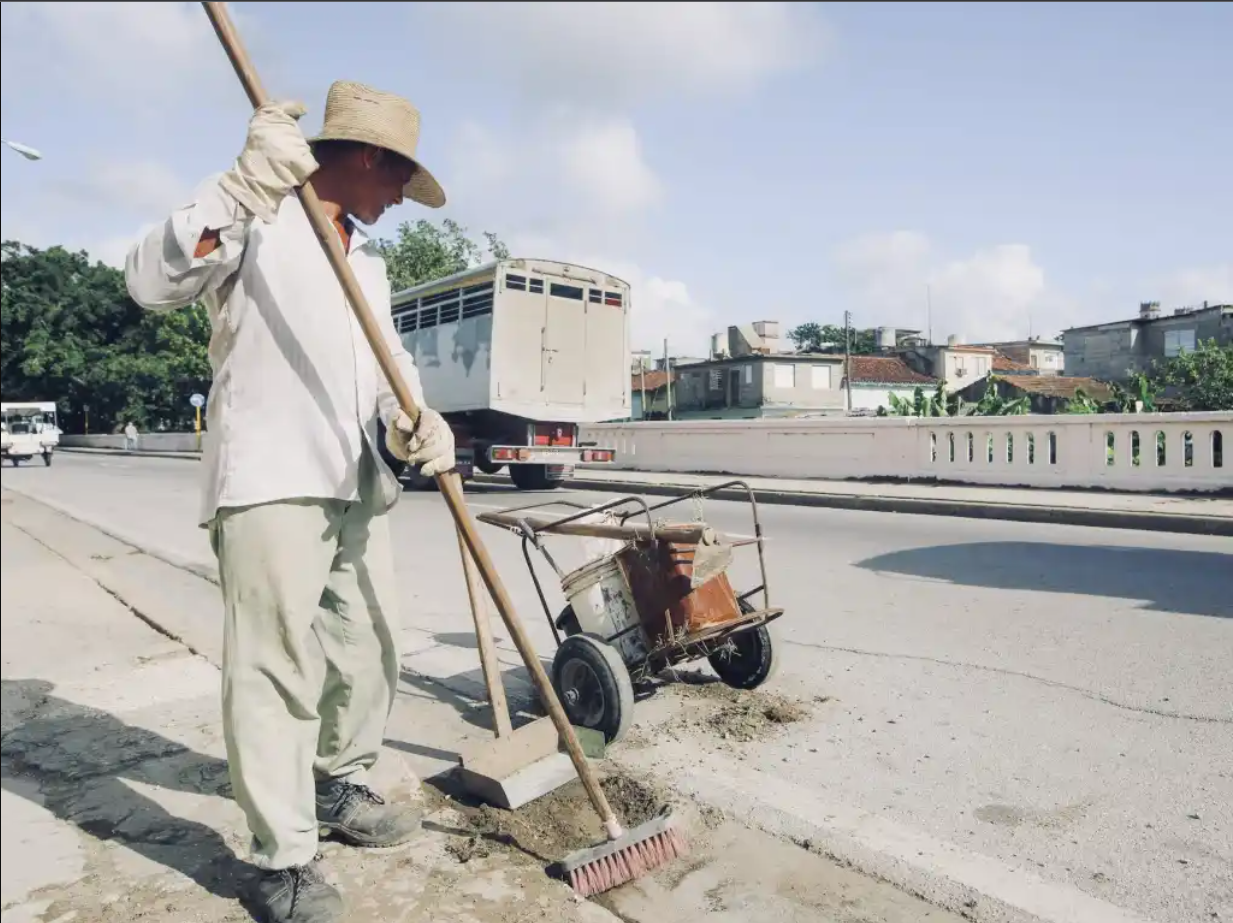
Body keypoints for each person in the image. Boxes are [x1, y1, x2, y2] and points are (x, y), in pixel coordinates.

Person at [124, 81, 456, 923]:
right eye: (397, 182)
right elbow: (148, 281)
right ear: (370, 157)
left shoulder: (369, 264)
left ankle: (338, 783)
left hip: (358, 485)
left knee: (370, 647)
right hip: (270, 479)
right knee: (273, 669)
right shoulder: (255, 216)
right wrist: (237, 187)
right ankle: (284, 859)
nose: (397, 202)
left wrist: (418, 419)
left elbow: (385, 369)